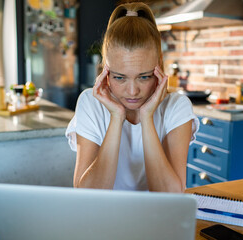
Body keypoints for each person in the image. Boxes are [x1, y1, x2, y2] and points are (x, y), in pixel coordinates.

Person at [65, 1, 198, 192]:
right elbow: (87, 194)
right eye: (120, 77)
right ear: (106, 72)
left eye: (144, 77)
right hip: (106, 217)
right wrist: (116, 117)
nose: (133, 91)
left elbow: (170, 196)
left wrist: (147, 117)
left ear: (159, 68)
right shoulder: (90, 103)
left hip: (157, 218)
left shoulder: (177, 107)